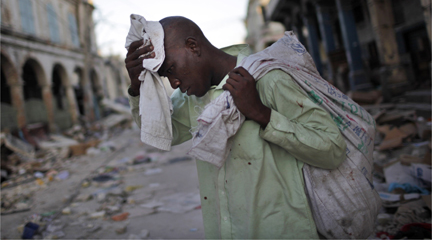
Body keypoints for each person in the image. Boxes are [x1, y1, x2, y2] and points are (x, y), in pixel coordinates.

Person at [125, 16, 346, 239]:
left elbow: (333, 150)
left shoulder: (268, 79)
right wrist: (137, 88)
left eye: (171, 69)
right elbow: (161, 133)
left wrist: (261, 114)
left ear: (193, 46)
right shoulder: (191, 99)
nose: (174, 83)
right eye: (165, 76)